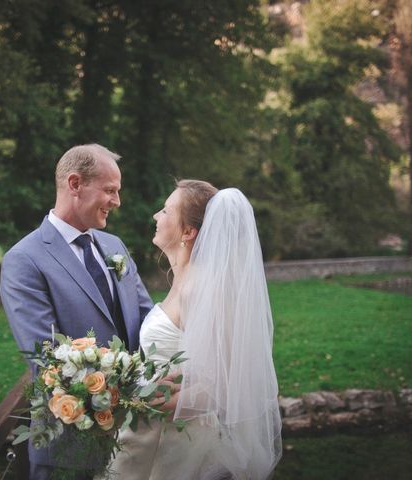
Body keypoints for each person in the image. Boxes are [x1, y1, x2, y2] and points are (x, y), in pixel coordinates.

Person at [106, 180, 282, 480]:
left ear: (188, 232)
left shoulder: (202, 289)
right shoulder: (182, 281)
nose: (155, 216)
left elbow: (226, 385)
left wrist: (145, 403)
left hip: (179, 447)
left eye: (165, 210)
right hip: (149, 434)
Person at [0, 144, 153, 480]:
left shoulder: (114, 246)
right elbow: (48, 360)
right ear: (74, 184)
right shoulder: (25, 260)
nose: (117, 202)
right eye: (110, 190)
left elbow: (148, 322)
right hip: (68, 448)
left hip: (135, 442)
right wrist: (131, 385)